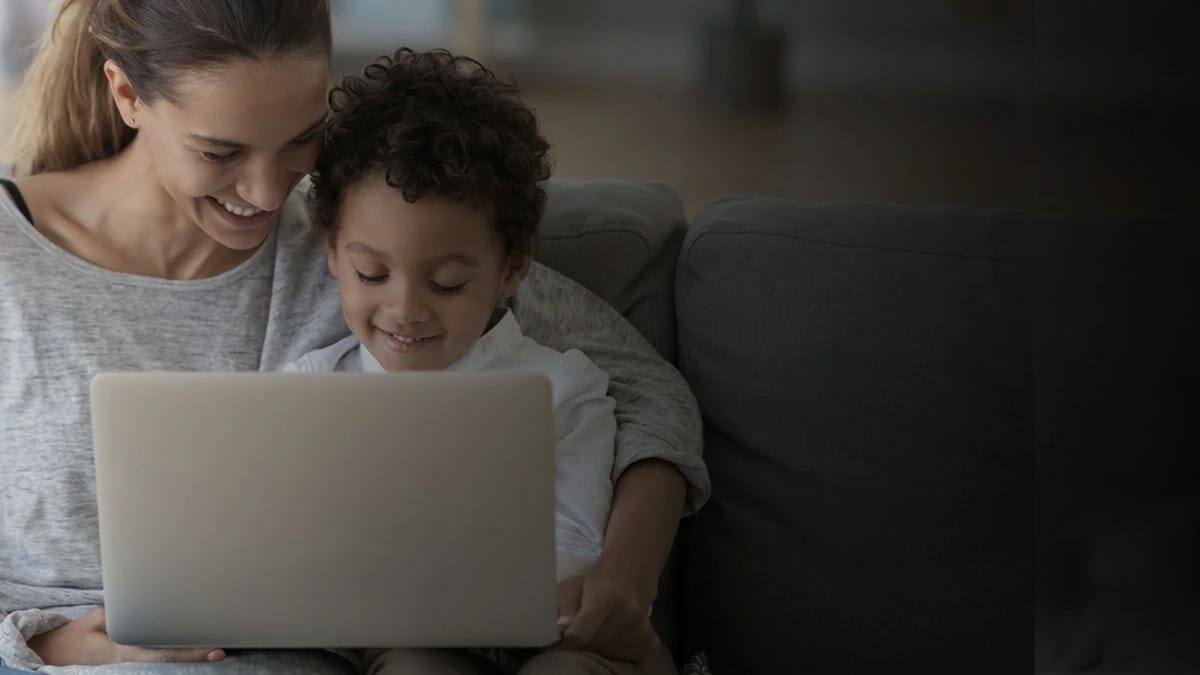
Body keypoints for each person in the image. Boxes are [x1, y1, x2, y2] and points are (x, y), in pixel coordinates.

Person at [0, 1, 708, 673]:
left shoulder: (364, 246)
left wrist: (625, 576)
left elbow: (643, 385)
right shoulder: (12, 257)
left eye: (302, 139)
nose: (270, 193)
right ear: (126, 94)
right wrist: (53, 645)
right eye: (221, 150)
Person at [286, 47, 634, 674]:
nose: (405, 309)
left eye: (446, 283)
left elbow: (579, 546)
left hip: (545, 640)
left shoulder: (561, 387)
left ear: (512, 268)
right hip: (404, 644)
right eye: (371, 273)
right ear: (333, 252)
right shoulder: (312, 389)